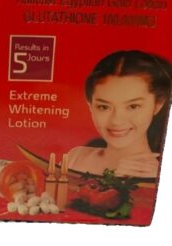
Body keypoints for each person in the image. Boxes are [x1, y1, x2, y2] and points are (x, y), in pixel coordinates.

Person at [68, 50, 171, 178]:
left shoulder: (160, 175)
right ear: (90, 106)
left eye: (133, 106)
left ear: (157, 105)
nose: (116, 121)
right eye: (104, 107)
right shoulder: (76, 158)